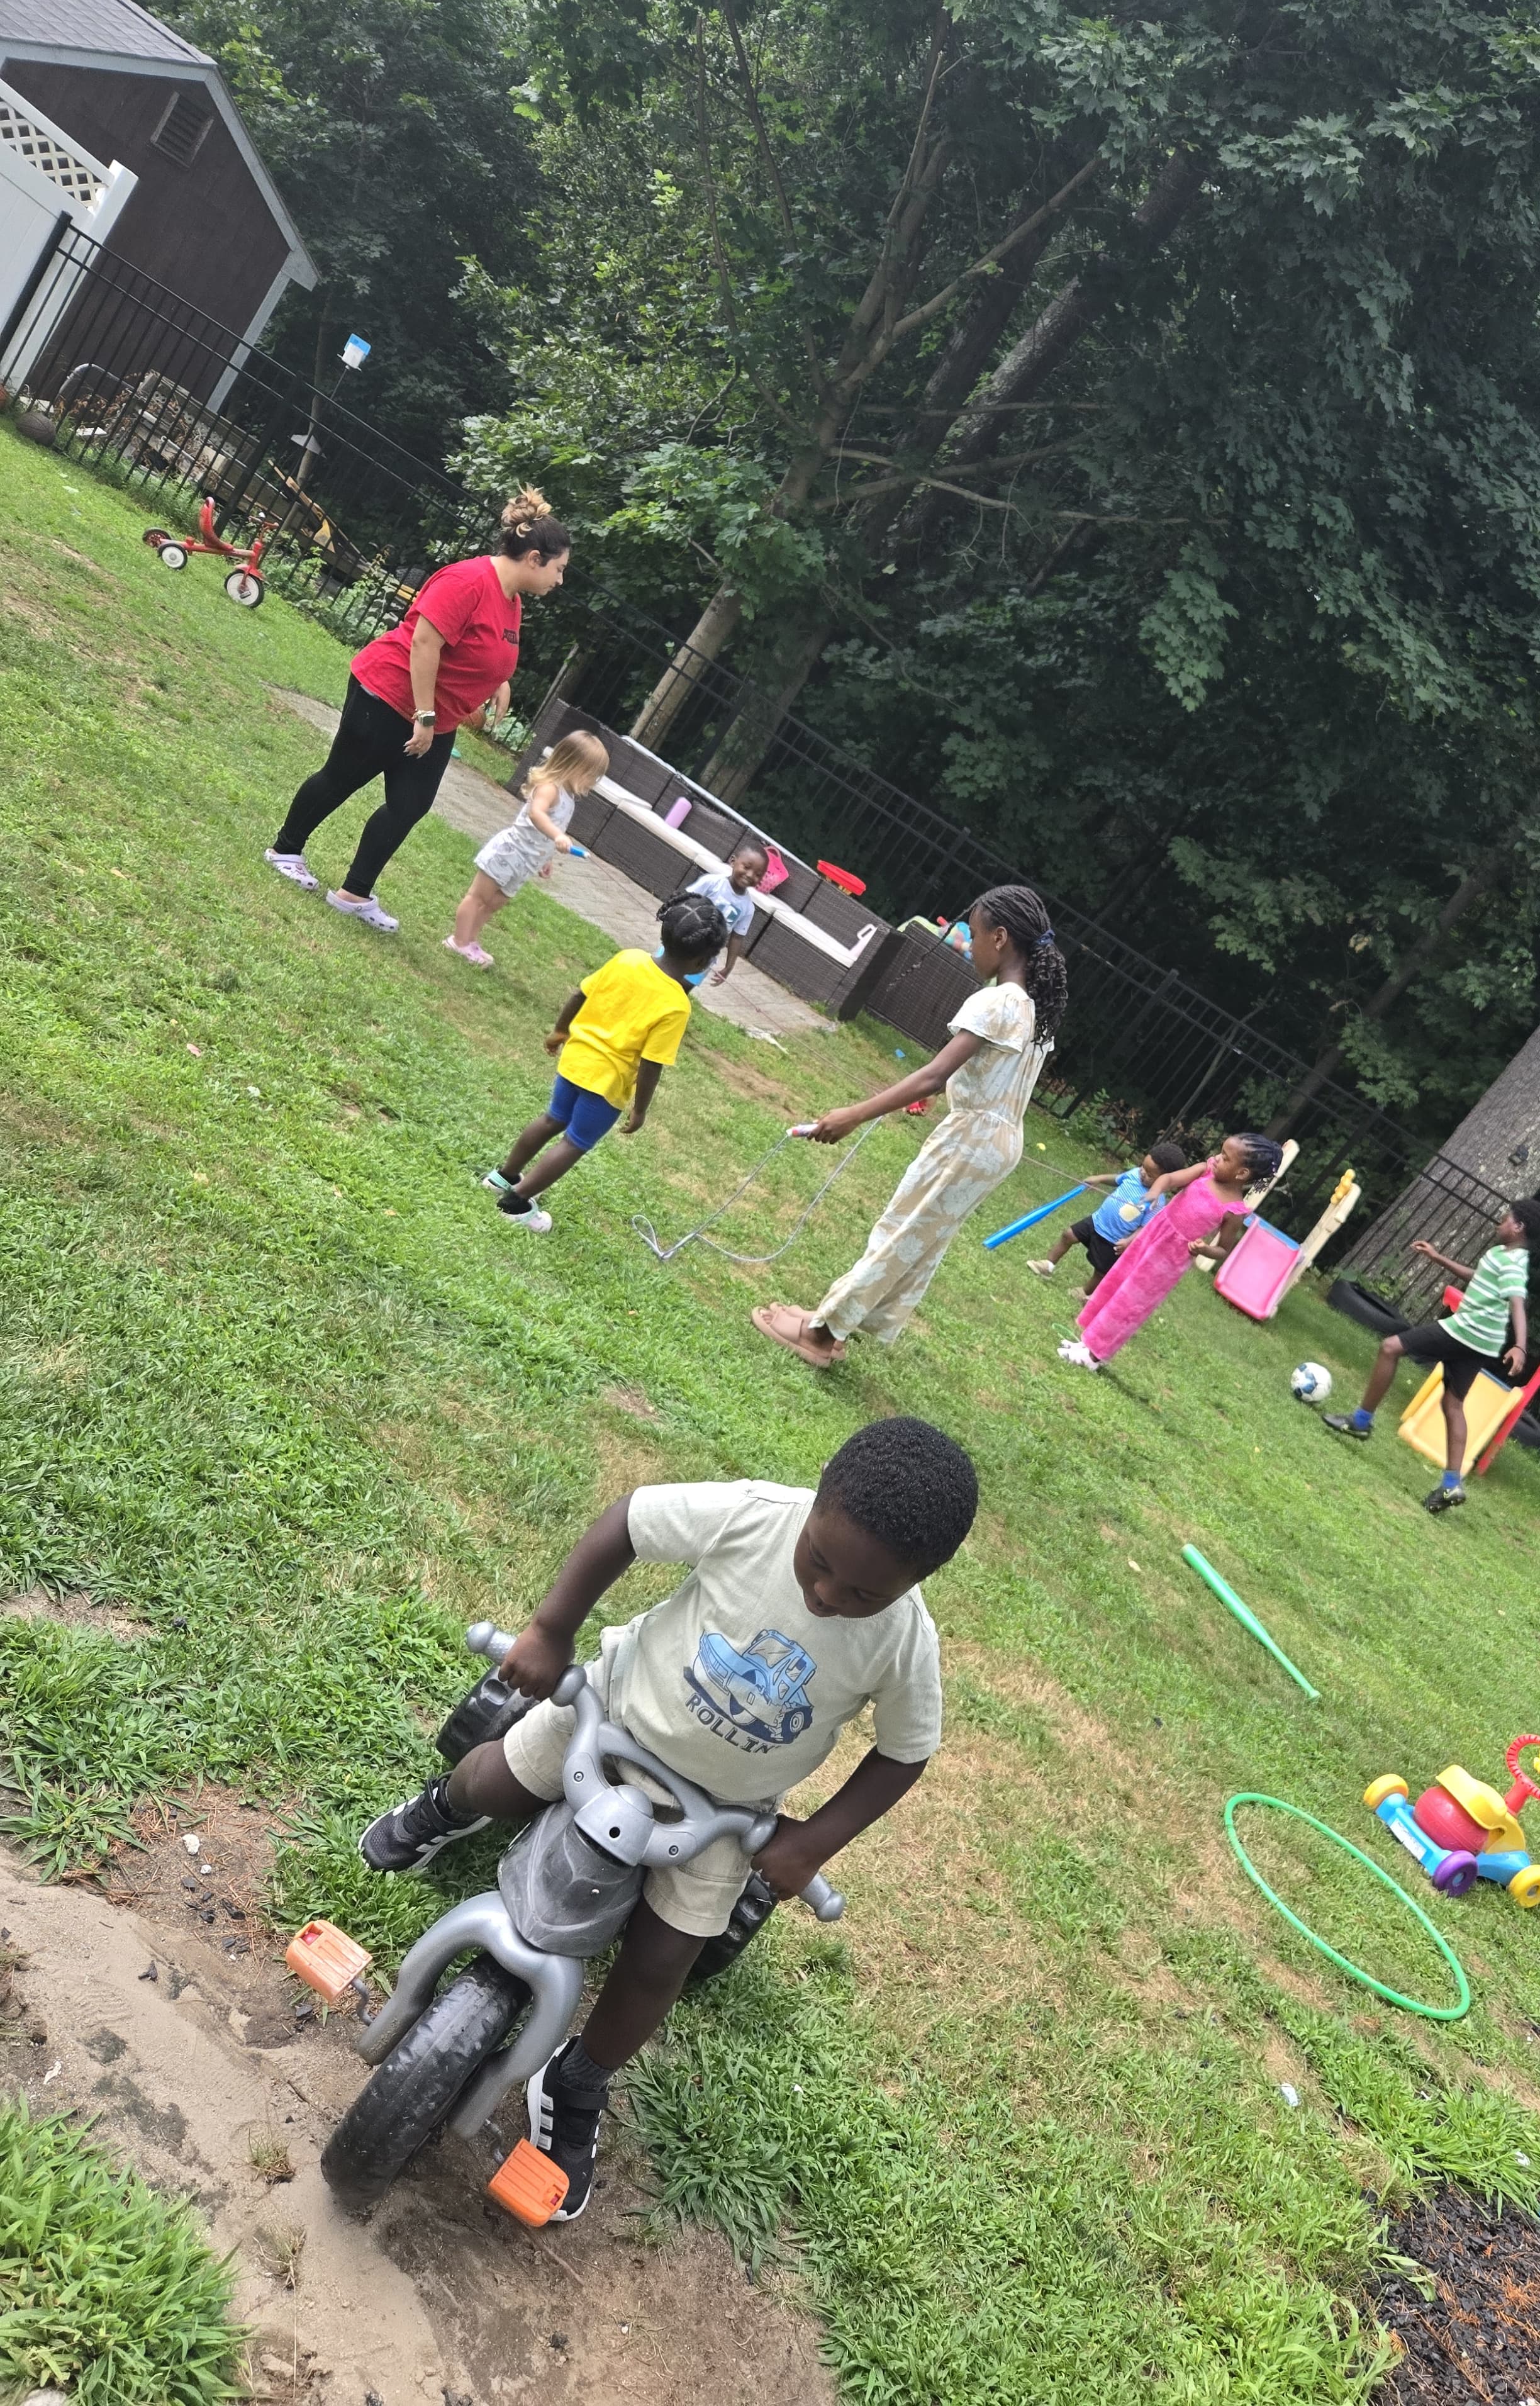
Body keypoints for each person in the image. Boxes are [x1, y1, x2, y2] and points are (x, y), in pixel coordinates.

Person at [356, 1415, 978, 2221]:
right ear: (818, 1498)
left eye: (863, 1594)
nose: (828, 1595)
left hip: (723, 1811)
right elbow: (628, 1522)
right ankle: (441, 1809)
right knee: (495, 1777)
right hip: (614, 1717)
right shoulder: (756, 1516)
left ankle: (578, 2080)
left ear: (916, 1580)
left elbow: (905, 1751)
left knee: (661, 1961)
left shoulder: (904, 1642)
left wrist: (813, 1842)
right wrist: (551, 1629)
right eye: (820, 1563)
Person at [749, 885, 1067, 1367]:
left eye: (975, 935)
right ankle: (838, 1322)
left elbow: (934, 1075)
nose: (970, 945)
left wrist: (853, 1115)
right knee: (921, 1237)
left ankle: (820, 1334)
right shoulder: (1033, 1009)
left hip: (974, 1139)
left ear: (1000, 938)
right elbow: (977, 1075)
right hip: (1000, 1143)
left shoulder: (998, 1000)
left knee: (903, 1231)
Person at [264, 489, 572, 932]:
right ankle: (285, 850)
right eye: (559, 569)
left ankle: (354, 893)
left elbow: (484, 645)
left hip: (436, 716)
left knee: (409, 804)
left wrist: (498, 679)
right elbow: (425, 642)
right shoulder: (467, 581)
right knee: (343, 777)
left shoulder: (512, 599)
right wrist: (424, 715)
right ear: (535, 559)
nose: (559, 580)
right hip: (388, 694)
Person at [481, 892, 724, 1234]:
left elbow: (581, 993)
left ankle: (503, 1177)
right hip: (607, 1084)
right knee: (574, 1143)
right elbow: (652, 1064)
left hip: (576, 1058)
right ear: (701, 963)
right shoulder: (677, 1005)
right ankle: (515, 1203)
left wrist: (560, 1031)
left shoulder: (628, 959)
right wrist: (640, 1110)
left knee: (552, 1119)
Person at [1322, 1198, 1540, 1514]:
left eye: (1506, 1218)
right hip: (1483, 1343)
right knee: (1453, 1404)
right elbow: (1479, 1277)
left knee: (1390, 1348)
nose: (1500, 1221)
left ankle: (1361, 1422)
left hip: (1466, 1332)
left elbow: (1517, 1303)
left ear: (1518, 1226)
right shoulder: (1505, 1255)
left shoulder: (1513, 1263)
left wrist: (1521, 1346)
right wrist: (1437, 1257)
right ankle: (1451, 1484)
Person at [1057, 1133, 1283, 1370]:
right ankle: (1088, 1342)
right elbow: (1169, 1179)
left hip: (1168, 1261)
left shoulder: (1234, 1211)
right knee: (1117, 1283)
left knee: (1129, 1304)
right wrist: (1155, 1192)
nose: (1217, 1158)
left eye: (1225, 1158)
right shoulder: (1204, 1171)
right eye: (1220, 1152)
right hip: (1151, 1237)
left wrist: (1205, 1249)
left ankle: (1095, 1356)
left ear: (1242, 1173)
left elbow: (1223, 1250)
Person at [445, 730, 609, 968]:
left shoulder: (569, 800)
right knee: (478, 897)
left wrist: (547, 858)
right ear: (574, 765)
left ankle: (471, 941)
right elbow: (536, 814)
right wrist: (558, 836)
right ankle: (458, 941)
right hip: (509, 853)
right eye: (592, 775)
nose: (593, 782)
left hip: (527, 863)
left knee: (495, 903)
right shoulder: (550, 788)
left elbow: (548, 832)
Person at [1026, 1139, 1188, 1285]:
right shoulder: (1134, 1174)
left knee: (1100, 1272)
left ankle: (1085, 1293)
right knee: (1068, 1235)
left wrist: (1128, 1242)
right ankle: (1048, 1265)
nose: (1143, 1173)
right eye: (1143, 1167)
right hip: (1097, 1221)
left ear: (1165, 1180)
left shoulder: (1157, 1202)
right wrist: (1099, 1179)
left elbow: (1145, 1228)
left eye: (1150, 1175)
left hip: (1114, 1239)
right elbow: (1117, 1179)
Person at [685, 837, 770, 985]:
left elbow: (737, 938)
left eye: (758, 874)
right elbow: (684, 901)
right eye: (746, 867)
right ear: (733, 861)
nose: (750, 875)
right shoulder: (712, 883)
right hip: (683, 940)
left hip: (706, 955)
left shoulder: (748, 908)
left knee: (683, 989)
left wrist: (729, 967)